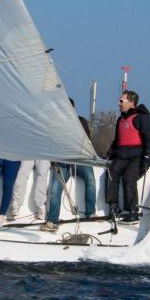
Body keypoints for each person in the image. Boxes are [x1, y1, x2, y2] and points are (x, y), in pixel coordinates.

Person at [40, 99, 96, 231]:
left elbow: (86, 141)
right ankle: (52, 220)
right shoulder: (55, 125)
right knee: (55, 189)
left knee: (90, 180)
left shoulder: (81, 121)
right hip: (62, 162)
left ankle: (90, 212)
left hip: (80, 161)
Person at [105, 90, 150, 223]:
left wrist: (147, 157)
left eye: (121, 101)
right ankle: (114, 207)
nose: (119, 103)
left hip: (137, 156)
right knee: (111, 173)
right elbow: (117, 141)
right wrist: (109, 154)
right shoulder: (121, 120)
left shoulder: (142, 118)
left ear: (131, 103)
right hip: (121, 154)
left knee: (129, 177)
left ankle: (132, 211)